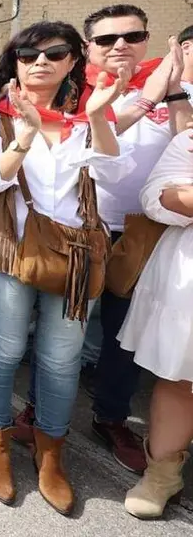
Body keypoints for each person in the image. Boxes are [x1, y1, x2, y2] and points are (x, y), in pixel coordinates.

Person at [12, 6, 193, 477]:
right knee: (64, 331)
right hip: (80, 230)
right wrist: (130, 103)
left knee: (121, 338)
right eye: (107, 39)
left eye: (133, 36)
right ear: (87, 48)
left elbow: (186, 144)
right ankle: (38, 411)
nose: (121, 46)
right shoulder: (69, 91)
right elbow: (70, 140)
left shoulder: (175, 90)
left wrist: (169, 90)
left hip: (146, 230)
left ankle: (110, 418)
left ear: (147, 41)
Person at [0, 21, 130, 514]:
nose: (40, 61)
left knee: (62, 360)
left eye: (55, 53)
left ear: (72, 62)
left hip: (76, 257)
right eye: (28, 54)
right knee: (4, 348)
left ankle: (50, 455)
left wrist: (101, 118)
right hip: (8, 250)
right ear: (13, 63)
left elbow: (114, 179)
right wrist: (25, 136)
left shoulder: (87, 121)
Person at [119, 128, 193, 519]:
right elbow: (156, 198)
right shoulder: (190, 141)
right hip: (188, 277)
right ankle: (162, 475)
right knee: (180, 375)